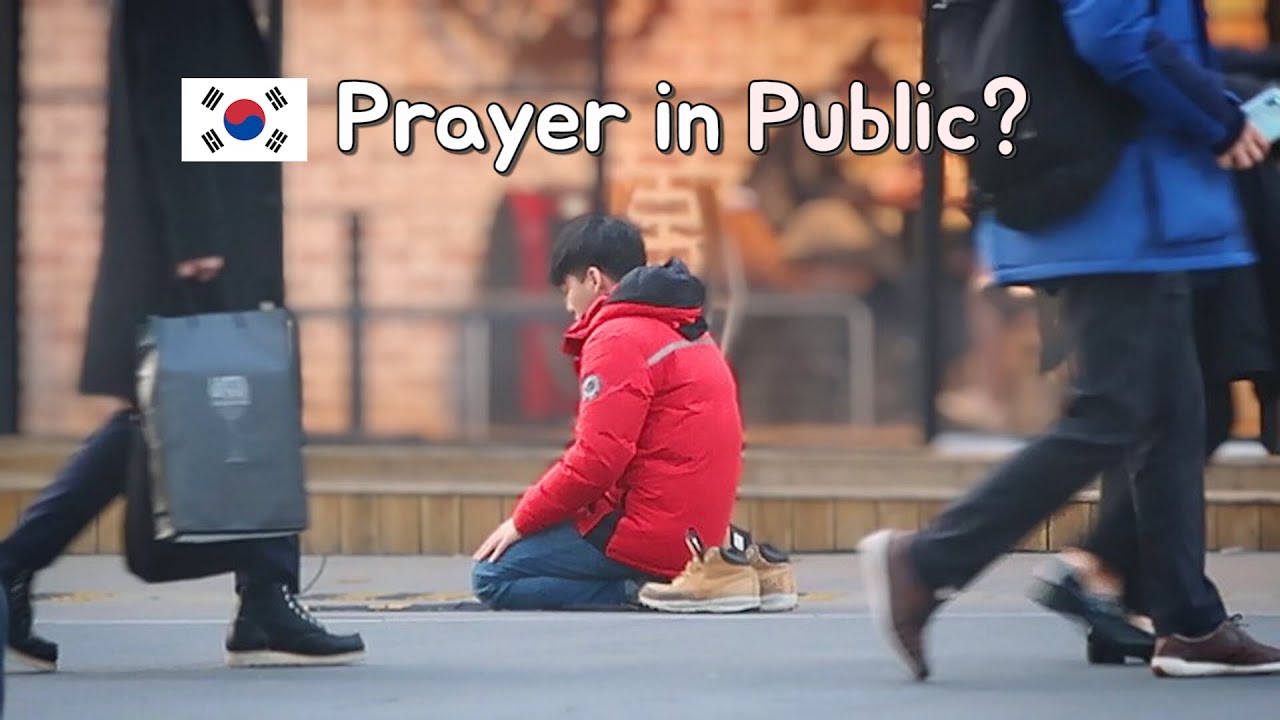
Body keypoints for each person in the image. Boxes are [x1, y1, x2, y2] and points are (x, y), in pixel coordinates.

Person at [857, 0, 1280, 680]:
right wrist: (1220, 118)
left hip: (1134, 203)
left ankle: (1190, 623)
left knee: (1175, 415)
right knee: (1115, 410)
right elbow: (1114, 34)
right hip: (1119, 202)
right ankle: (926, 560)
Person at [0, 0, 363, 670]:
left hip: (225, 238)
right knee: (217, 406)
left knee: (200, 409)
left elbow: (240, 114)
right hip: (200, 250)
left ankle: (264, 597)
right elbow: (169, 102)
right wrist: (199, 236)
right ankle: (264, 598)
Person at [1030, 71, 1280, 664]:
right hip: (1189, 226)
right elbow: (1129, 50)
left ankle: (1136, 601)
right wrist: (1227, 119)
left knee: (1164, 411)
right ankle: (1092, 569)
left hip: (1175, 222)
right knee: (1182, 412)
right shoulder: (1163, 57)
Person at [470, 215, 757, 612]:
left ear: (593, 279)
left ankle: (641, 590)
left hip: (652, 535)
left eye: (567, 289)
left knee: (493, 576)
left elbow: (596, 461)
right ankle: (666, 578)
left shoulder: (618, 337)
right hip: (699, 533)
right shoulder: (684, 325)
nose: (567, 305)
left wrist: (521, 521)